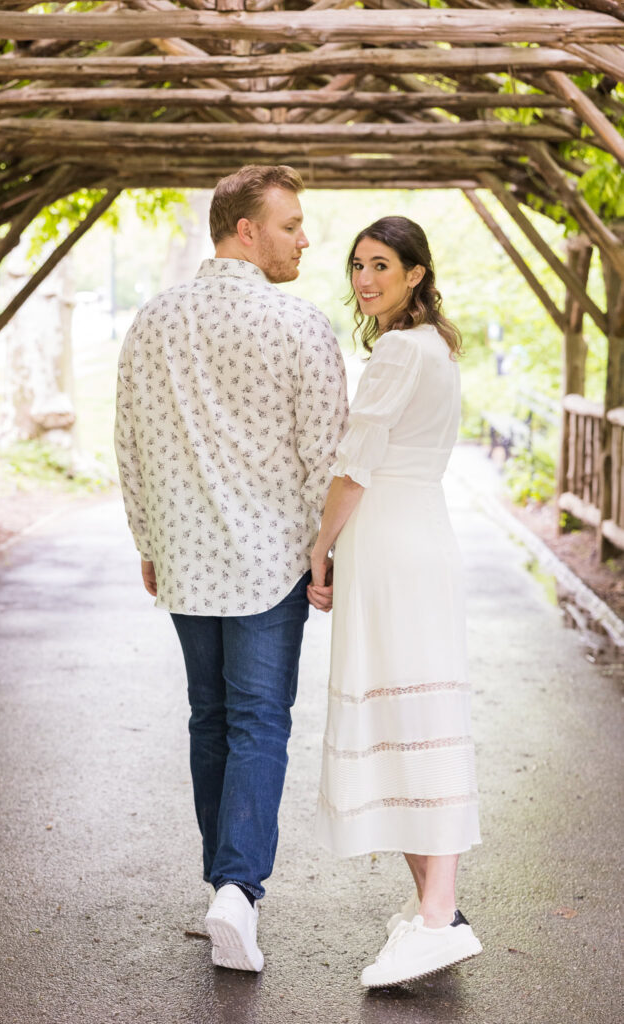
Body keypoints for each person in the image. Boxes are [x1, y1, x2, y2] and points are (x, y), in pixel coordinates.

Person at [114, 165, 348, 973]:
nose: (305, 240)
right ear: (245, 230)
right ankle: (236, 892)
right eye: (290, 224)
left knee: (208, 719)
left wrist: (147, 540)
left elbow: (129, 446)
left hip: (184, 559)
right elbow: (327, 456)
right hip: (267, 564)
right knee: (257, 722)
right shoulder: (302, 326)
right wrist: (329, 556)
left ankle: (224, 885)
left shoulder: (151, 321)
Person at [307, 216, 482, 987]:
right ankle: (433, 913)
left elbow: (355, 465)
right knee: (408, 718)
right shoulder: (434, 348)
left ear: (416, 273)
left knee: (412, 723)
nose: (364, 279)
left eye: (381, 264)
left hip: (391, 545)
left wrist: (319, 544)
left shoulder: (399, 352)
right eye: (355, 266)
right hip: (416, 539)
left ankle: (439, 917)